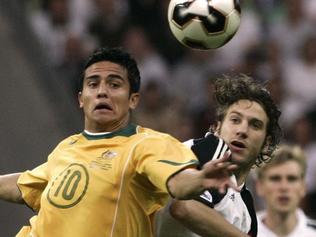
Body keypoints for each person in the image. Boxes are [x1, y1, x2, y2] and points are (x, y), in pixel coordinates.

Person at [0, 47, 237, 237]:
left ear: (133, 100)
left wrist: (199, 179)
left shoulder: (146, 144)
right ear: (81, 99)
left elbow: (177, 182)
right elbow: (25, 185)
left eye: (114, 84)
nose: (102, 92)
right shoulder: (67, 147)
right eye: (93, 84)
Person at [156, 74, 282, 237]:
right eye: (235, 120)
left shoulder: (247, 209)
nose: (242, 131)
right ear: (217, 128)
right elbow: (183, 207)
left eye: (255, 125)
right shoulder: (208, 149)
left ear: (266, 144)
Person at [256, 144, 316, 237]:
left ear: (304, 187)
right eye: (275, 179)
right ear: (259, 186)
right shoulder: (241, 231)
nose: (284, 187)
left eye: (292, 179)